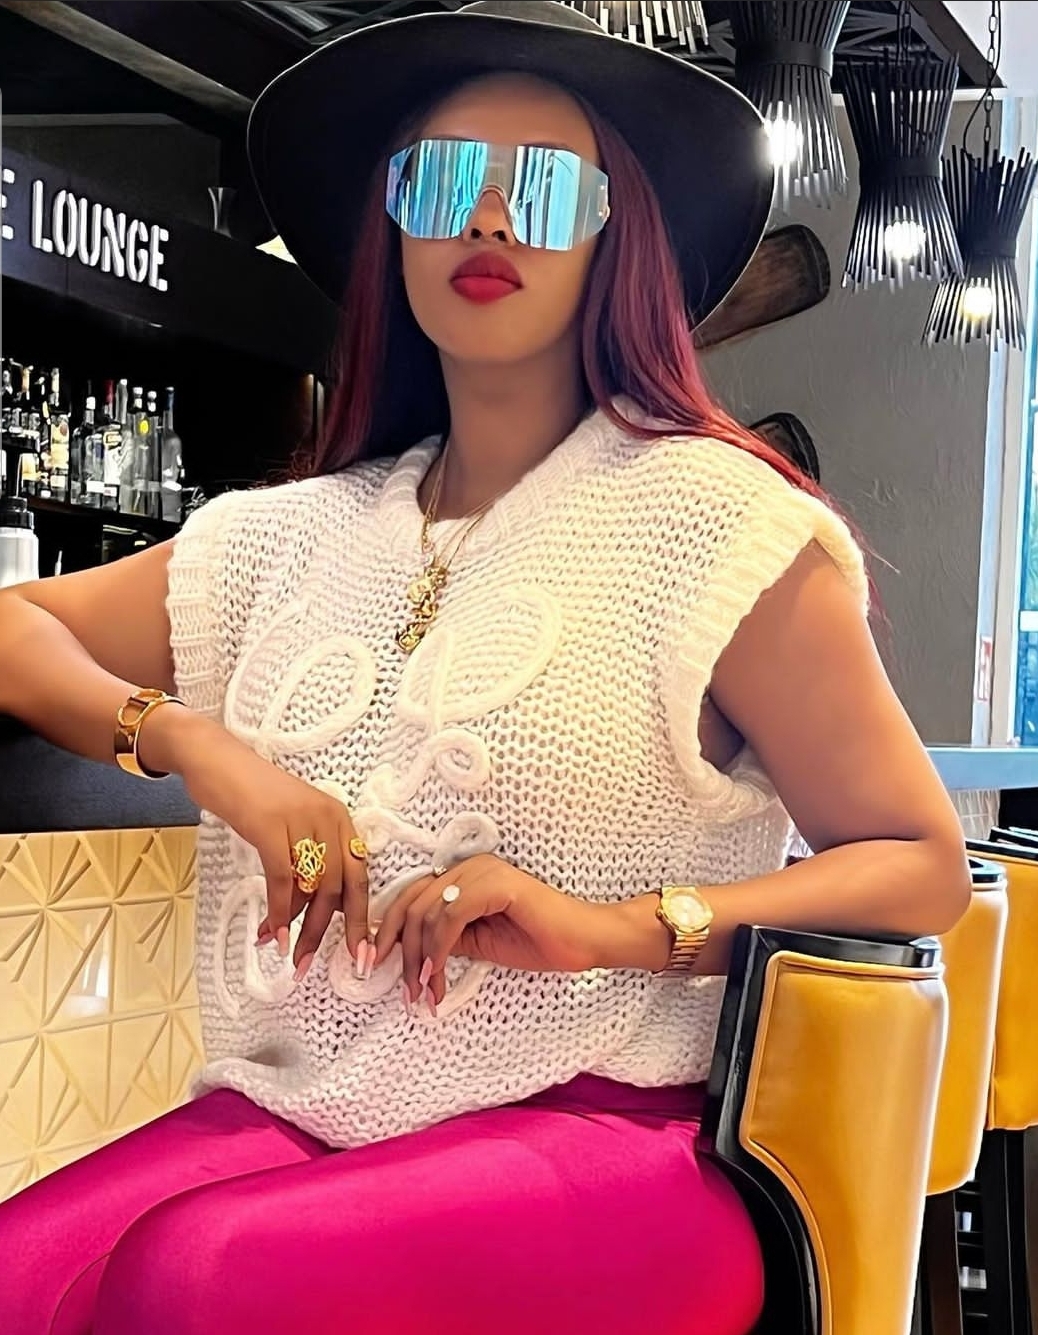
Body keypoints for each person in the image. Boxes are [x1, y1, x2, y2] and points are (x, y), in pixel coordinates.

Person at [0, 3, 970, 1332]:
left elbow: (918, 863)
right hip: (297, 1116)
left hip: (612, 1132)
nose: (494, 219)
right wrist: (197, 748)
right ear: (392, 225)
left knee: (197, 1278)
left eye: (550, 191)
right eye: (446, 179)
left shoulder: (722, 528)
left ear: (615, 240)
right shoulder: (285, 537)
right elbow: (17, 627)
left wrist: (615, 930)